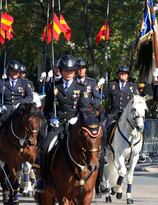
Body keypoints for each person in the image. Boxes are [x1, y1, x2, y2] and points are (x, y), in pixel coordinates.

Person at [35, 54, 98, 193]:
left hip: (74, 125)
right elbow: (48, 108)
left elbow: (84, 107)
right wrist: (51, 118)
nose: (69, 73)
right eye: (66, 70)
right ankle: (43, 180)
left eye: (71, 71)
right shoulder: (53, 87)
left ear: (75, 71)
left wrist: (76, 118)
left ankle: (98, 183)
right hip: (58, 125)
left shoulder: (81, 88)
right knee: (45, 147)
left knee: (93, 147)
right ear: (61, 71)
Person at [96, 65, 138, 195]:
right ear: (118, 74)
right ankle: (105, 147)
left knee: (139, 129)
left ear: (127, 75)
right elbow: (103, 97)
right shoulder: (112, 85)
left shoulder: (133, 87)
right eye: (121, 73)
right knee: (105, 127)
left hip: (127, 117)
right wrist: (100, 88)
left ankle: (138, 151)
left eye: (125, 74)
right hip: (114, 114)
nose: (123, 75)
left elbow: (136, 102)